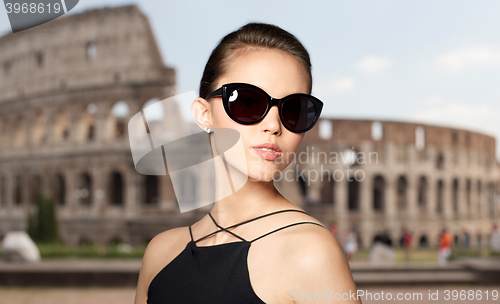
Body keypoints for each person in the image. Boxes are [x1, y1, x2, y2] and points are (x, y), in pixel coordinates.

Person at [134, 22, 361, 304]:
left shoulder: (310, 254)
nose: (273, 125)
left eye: (294, 110)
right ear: (204, 114)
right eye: (247, 102)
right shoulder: (160, 252)